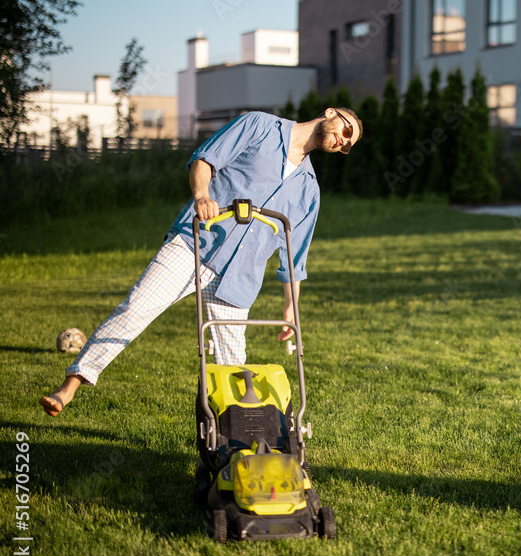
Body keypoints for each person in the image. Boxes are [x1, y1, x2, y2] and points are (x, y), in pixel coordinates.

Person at [40, 107, 362, 417]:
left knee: (232, 366)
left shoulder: (308, 189)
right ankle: (70, 386)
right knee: (136, 308)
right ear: (331, 112)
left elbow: (294, 257)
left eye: (349, 145)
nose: (343, 142)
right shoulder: (259, 126)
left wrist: (292, 306)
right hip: (196, 245)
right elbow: (205, 158)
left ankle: (231, 445)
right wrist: (202, 195)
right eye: (346, 131)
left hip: (240, 277)